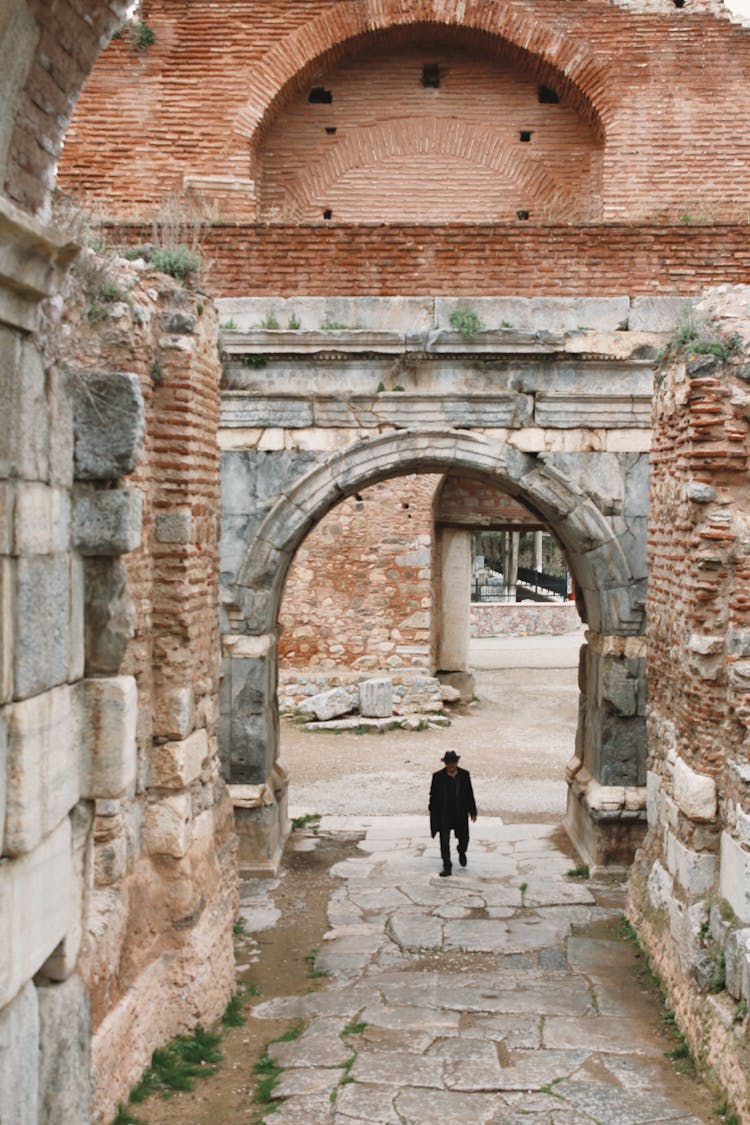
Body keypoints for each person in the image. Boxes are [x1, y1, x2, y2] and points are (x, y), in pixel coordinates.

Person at [429, 750, 477, 877]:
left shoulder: (464, 775)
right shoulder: (437, 776)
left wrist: (473, 812)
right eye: (448, 763)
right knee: (444, 842)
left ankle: (461, 851)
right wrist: (433, 813)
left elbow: (469, 793)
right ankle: (447, 865)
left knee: (464, 839)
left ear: (456, 763)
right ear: (445, 764)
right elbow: (433, 796)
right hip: (444, 815)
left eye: (453, 763)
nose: (451, 765)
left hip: (460, 814)